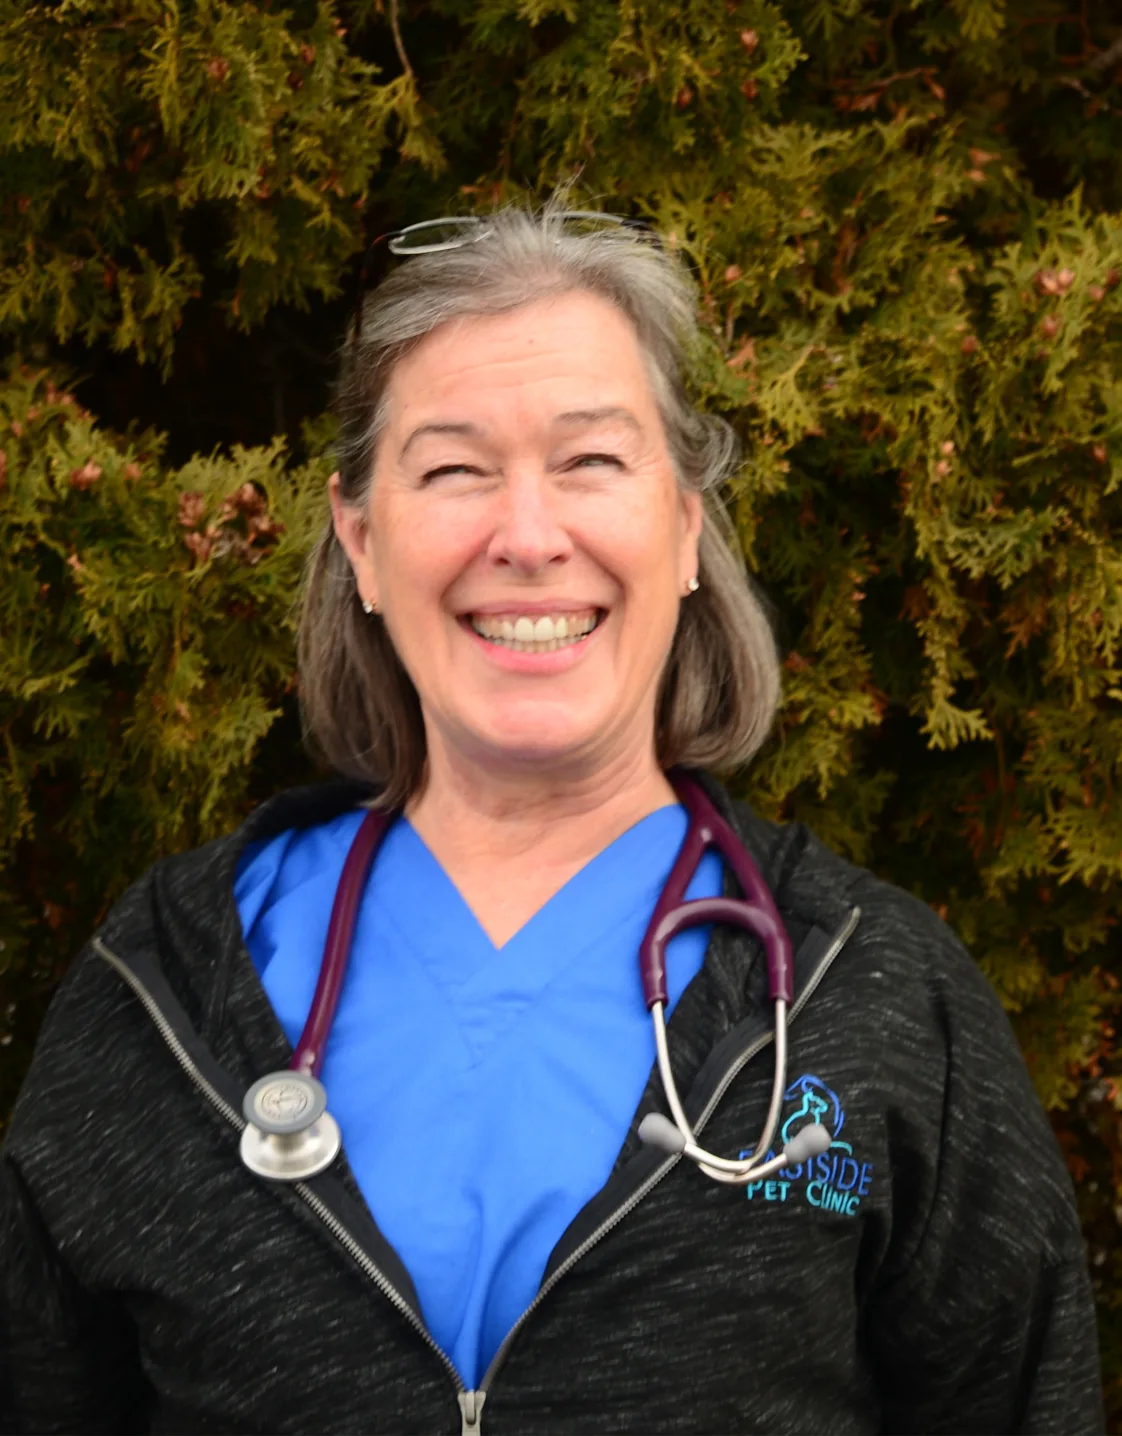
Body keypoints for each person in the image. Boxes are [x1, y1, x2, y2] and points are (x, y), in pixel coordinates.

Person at [0, 205, 1103, 1436]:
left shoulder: (884, 998)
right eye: (454, 467)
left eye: (590, 460)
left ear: (684, 525)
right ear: (362, 542)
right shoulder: (161, 989)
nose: (527, 536)